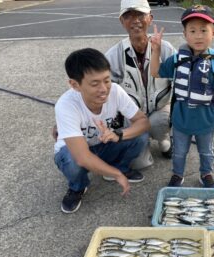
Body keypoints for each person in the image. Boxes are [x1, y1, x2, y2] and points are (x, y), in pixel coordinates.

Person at [150, 5, 214, 188]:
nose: (198, 35)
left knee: (206, 152)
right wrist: (156, 49)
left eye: (204, 30)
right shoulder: (177, 58)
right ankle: (177, 175)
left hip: (206, 120)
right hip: (181, 120)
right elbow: (156, 72)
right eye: (192, 30)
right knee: (179, 152)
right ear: (185, 34)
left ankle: (206, 174)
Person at [54, 48, 150, 214]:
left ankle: (118, 167)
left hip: (104, 143)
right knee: (72, 161)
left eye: (107, 80)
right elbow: (82, 157)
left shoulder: (116, 91)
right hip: (76, 151)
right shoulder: (66, 105)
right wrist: (118, 175)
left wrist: (118, 135)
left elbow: (142, 122)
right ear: (75, 85)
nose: (104, 89)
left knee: (140, 135)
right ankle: (78, 187)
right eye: (94, 83)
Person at [104, 0, 176, 169]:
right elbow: (102, 88)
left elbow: (181, 80)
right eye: (128, 16)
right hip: (132, 115)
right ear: (122, 22)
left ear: (150, 18)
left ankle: (164, 139)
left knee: (161, 121)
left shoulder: (165, 49)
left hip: (160, 109)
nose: (135, 20)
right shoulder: (114, 54)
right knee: (140, 164)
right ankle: (142, 141)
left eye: (140, 15)